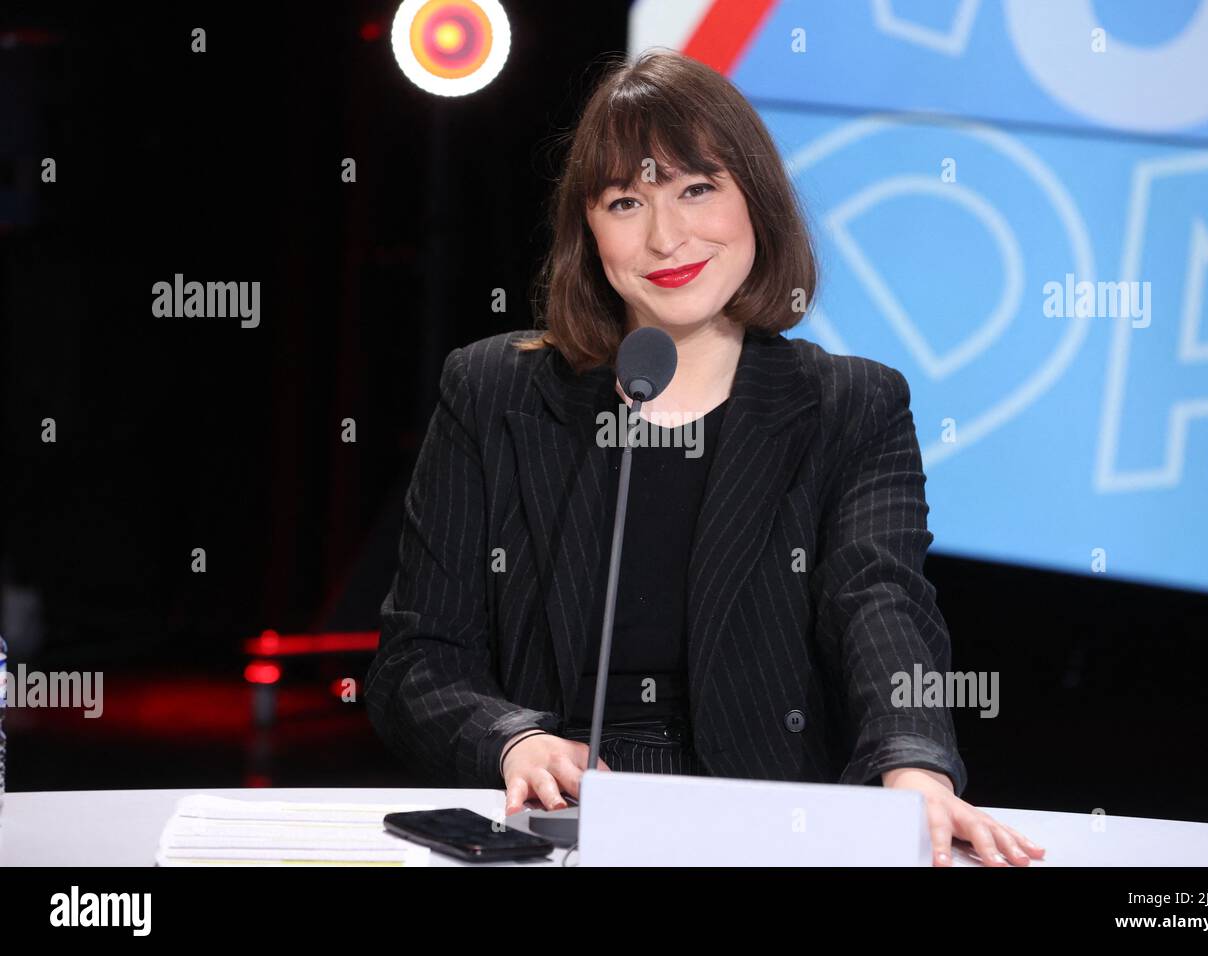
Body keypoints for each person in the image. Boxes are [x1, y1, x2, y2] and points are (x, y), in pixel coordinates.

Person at [366, 49, 1045, 867]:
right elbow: (416, 660)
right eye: (626, 201)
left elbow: (880, 605)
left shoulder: (853, 407)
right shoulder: (489, 391)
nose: (666, 236)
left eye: (697, 189)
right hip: (556, 823)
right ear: (589, 230)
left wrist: (914, 762)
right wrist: (513, 740)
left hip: (770, 825)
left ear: (754, 203)